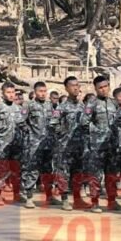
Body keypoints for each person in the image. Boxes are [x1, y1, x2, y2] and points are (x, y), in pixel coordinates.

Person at [82, 76, 121, 213]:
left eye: (105, 86)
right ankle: (95, 202)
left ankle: (112, 201)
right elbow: (84, 122)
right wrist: (95, 134)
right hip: (97, 146)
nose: (104, 90)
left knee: (112, 174)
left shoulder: (113, 103)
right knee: (96, 175)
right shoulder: (92, 103)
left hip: (112, 145)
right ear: (96, 89)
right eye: (100, 87)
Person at [49, 76, 87, 211]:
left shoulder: (83, 106)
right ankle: (64, 199)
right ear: (66, 88)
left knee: (78, 172)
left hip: (80, 146)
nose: (76, 88)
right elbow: (53, 123)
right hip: (65, 147)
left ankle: (77, 199)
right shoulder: (62, 107)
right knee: (63, 172)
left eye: (77, 85)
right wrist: (63, 132)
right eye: (72, 85)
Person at [23, 82, 54, 209]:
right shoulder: (28, 105)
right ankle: (29, 197)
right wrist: (30, 133)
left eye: (45, 91)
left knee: (48, 170)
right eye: (40, 91)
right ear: (35, 92)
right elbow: (21, 120)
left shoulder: (49, 105)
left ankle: (49, 196)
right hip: (34, 144)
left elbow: (54, 121)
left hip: (48, 143)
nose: (43, 94)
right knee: (33, 170)